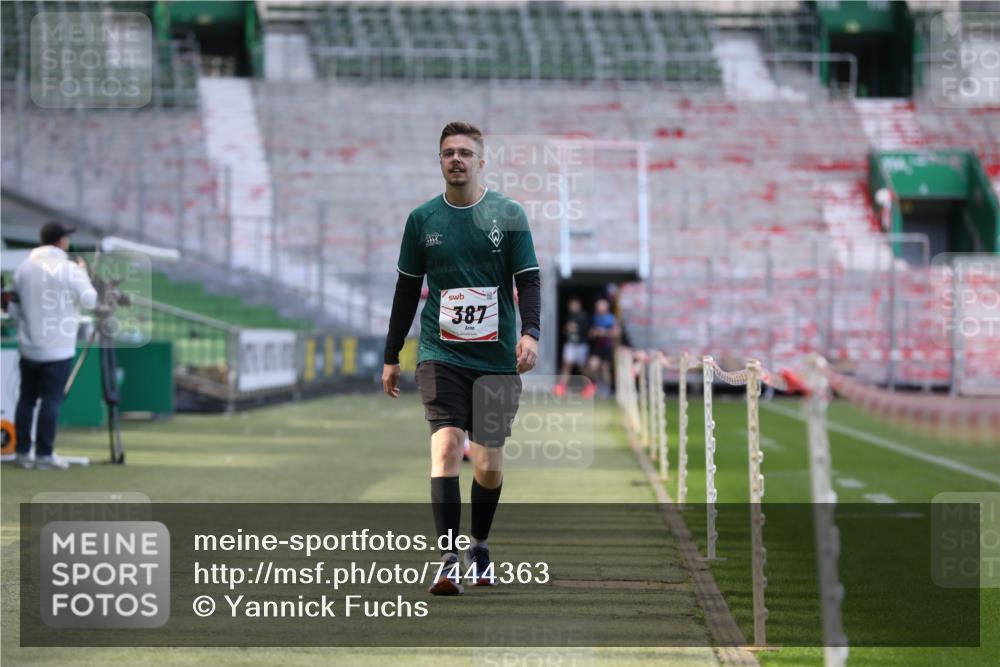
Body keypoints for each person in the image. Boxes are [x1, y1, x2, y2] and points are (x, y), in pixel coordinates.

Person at [382, 122, 540, 596]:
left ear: (480, 161)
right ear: (440, 161)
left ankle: (480, 544)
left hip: (495, 360)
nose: (456, 159)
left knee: (488, 463)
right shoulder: (422, 221)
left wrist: (530, 334)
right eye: (448, 152)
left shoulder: (508, 214)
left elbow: (529, 280)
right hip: (440, 352)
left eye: (465, 153)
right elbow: (406, 290)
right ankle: (447, 558)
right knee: (447, 445)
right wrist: (392, 354)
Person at [11, 221, 97, 470]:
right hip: (58, 347)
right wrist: (83, 273)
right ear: (61, 242)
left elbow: (14, 307)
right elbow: (90, 300)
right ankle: (44, 455)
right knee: (51, 400)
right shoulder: (70, 269)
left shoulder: (24, 268)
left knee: (26, 399)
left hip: (29, 346)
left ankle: (22, 453)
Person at [553, 298, 595, 398]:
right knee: (567, 365)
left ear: (579, 305)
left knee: (582, 367)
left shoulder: (583, 316)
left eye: (574, 305)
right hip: (570, 344)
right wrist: (567, 328)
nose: (572, 307)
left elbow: (588, 331)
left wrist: (578, 328)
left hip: (581, 345)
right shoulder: (570, 316)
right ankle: (562, 387)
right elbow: (565, 331)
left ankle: (590, 386)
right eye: (571, 305)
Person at [587, 298, 620, 397]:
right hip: (598, 347)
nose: (599, 309)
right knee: (592, 366)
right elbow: (590, 333)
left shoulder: (611, 319)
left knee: (605, 369)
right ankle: (597, 385)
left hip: (608, 347)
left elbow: (616, 333)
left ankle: (607, 389)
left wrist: (604, 332)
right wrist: (594, 333)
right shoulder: (594, 318)